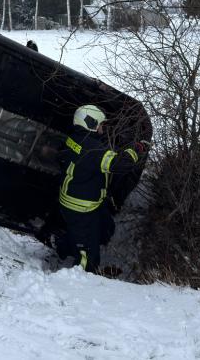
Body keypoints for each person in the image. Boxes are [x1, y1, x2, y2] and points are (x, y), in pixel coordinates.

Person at [57, 104, 146, 274]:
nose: (102, 128)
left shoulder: (74, 139)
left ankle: (65, 245)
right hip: (81, 208)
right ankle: (80, 278)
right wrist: (136, 149)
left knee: (106, 227)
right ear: (90, 123)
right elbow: (120, 164)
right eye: (100, 124)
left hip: (76, 202)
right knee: (88, 255)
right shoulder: (94, 150)